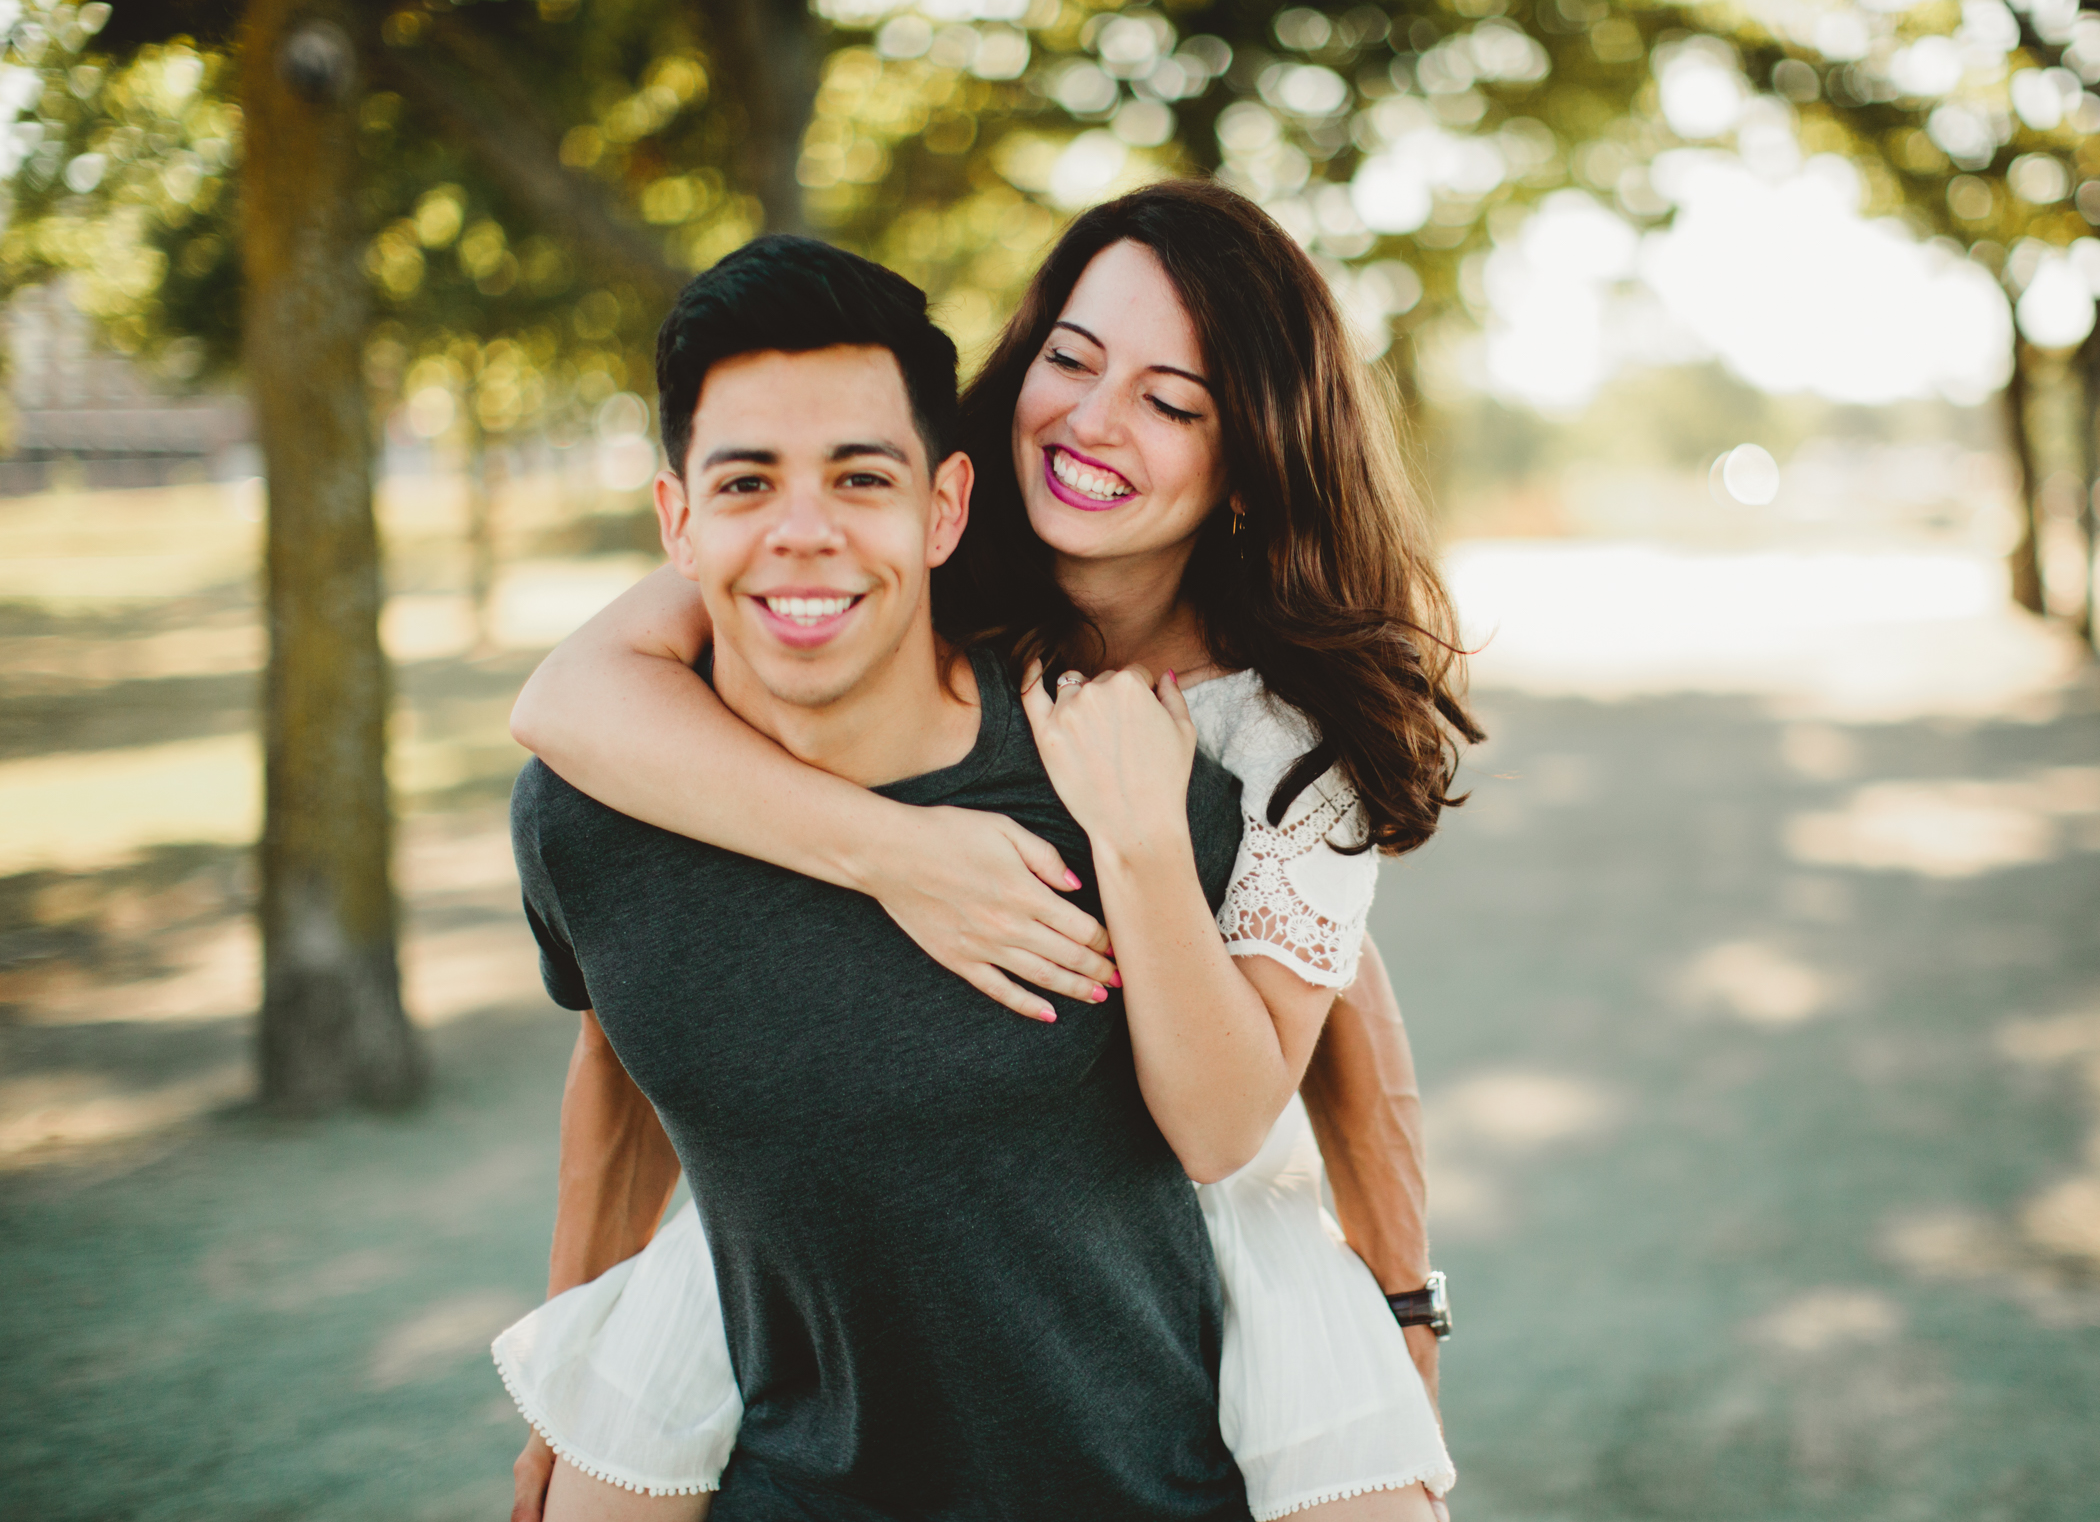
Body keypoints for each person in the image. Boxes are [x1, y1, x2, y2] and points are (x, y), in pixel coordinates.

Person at [498, 183, 1481, 1520]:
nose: (1091, 421)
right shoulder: (879, 549)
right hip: (809, 1215)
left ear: (1247, 457)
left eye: (1171, 401)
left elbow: (1334, 1038)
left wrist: (1405, 1303)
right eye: (1072, 360)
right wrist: (896, 852)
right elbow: (569, 709)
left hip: (1160, 1232)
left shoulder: (1278, 738)